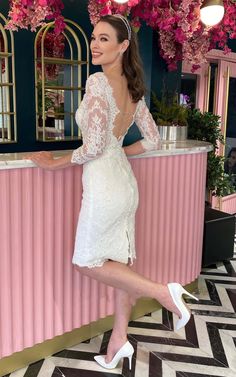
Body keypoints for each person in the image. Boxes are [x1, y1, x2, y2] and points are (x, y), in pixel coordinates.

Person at [26, 14, 198, 371]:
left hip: (105, 185)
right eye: (93, 37)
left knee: (86, 262)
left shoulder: (97, 82)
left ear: (123, 46)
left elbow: (92, 148)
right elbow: (150, 140)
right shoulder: (133, 88)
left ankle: (165, 293)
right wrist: (119, 151)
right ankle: (119, 341)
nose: (95, 44)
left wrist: (52, 163)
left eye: (104, 39)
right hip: (124, 184)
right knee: (118, 264)